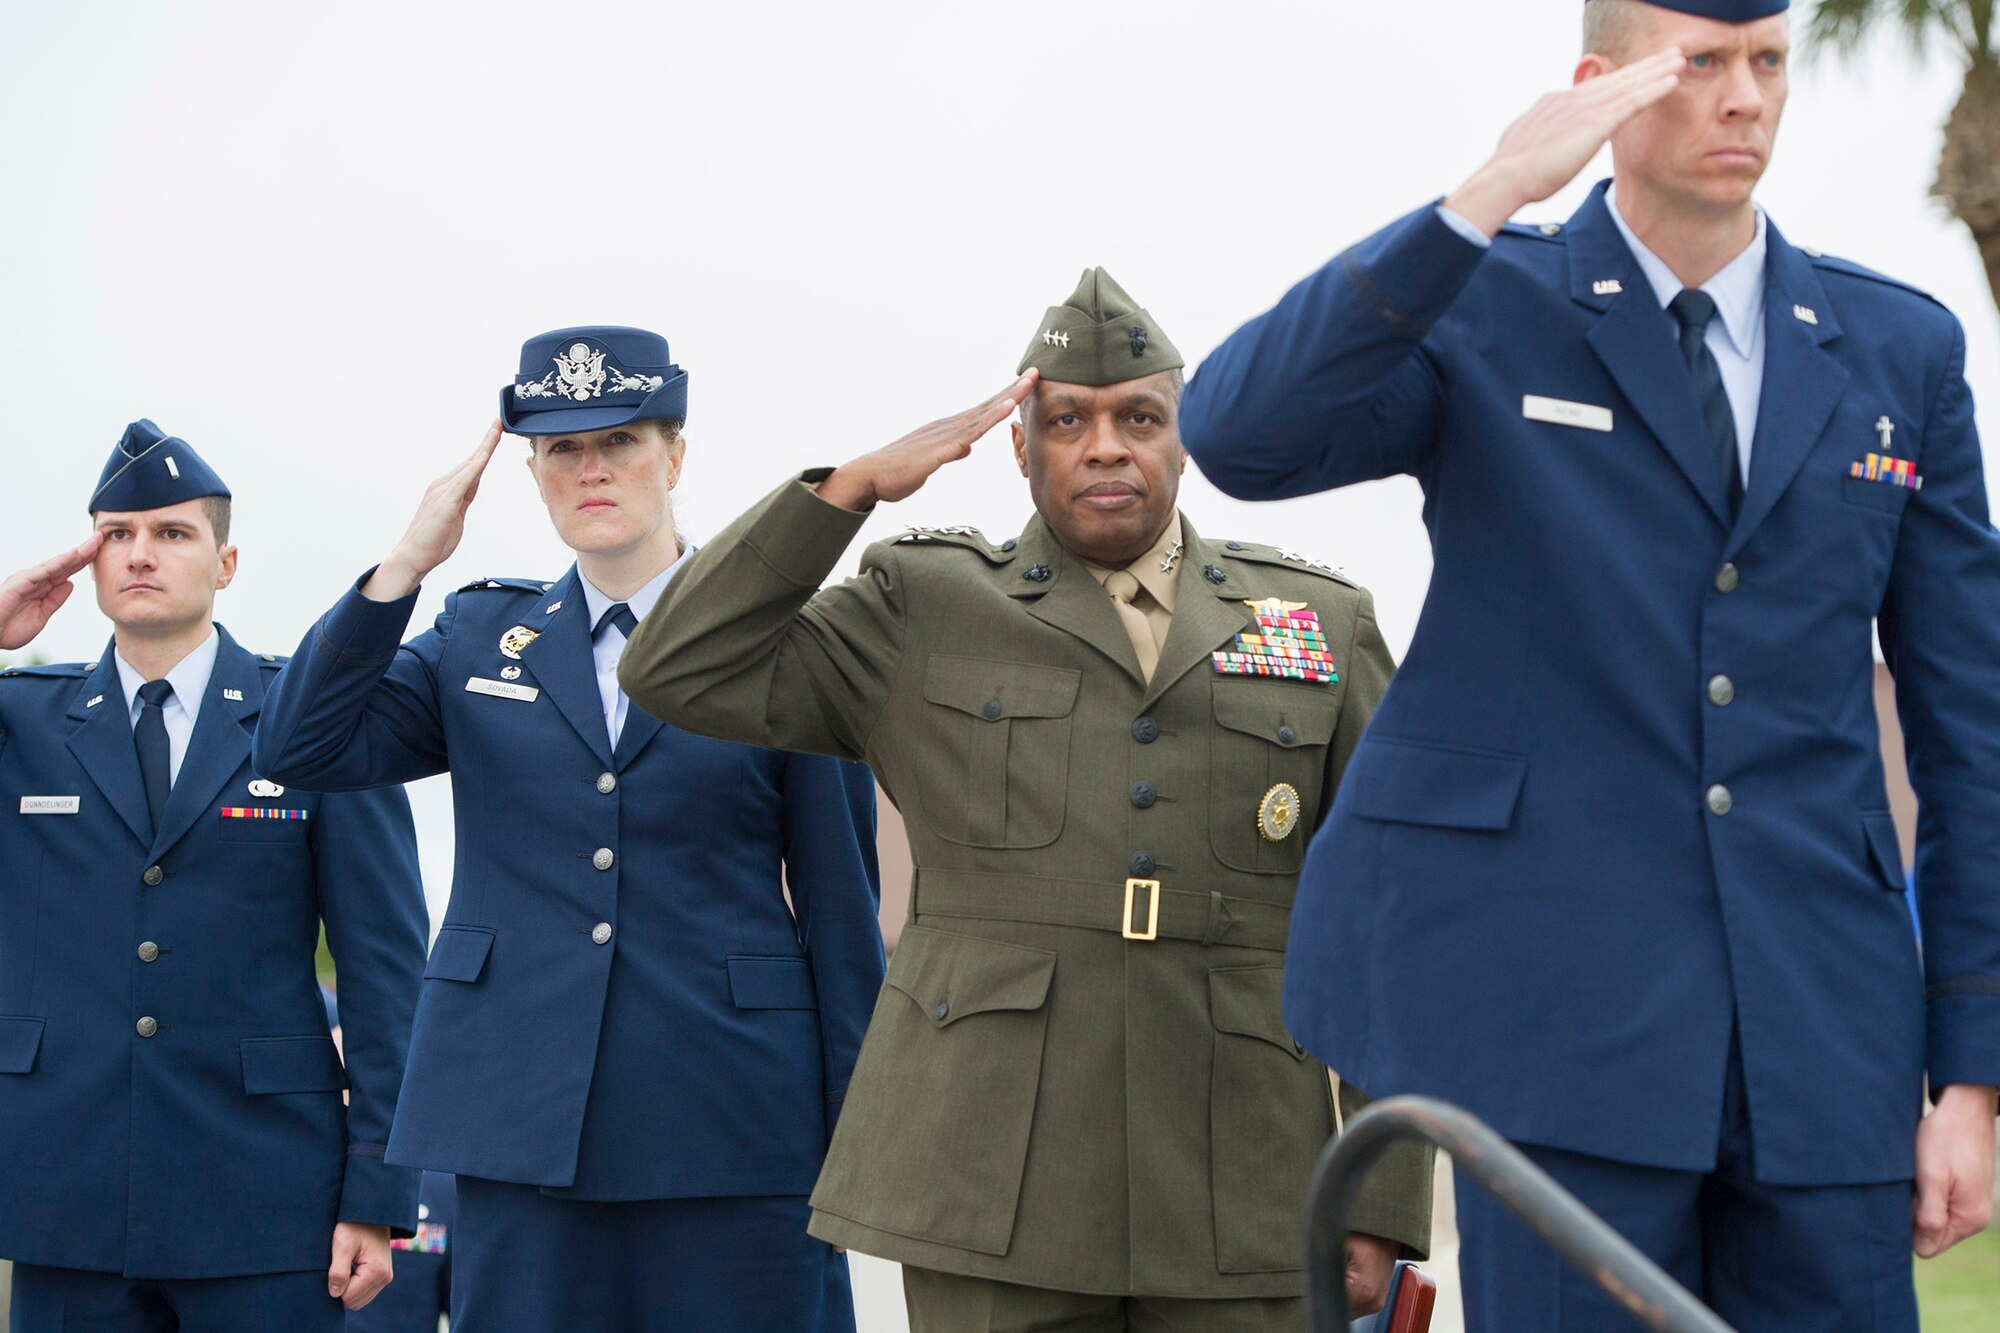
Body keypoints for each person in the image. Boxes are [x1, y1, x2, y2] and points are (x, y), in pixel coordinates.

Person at [1178, 1, 2000, 1327]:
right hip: (1563, 1033)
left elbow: (1976, 732)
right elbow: (1239, 433)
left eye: (1769, 63)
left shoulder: (1899, 348)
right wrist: (1489, 192)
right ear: (1598, 90)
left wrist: (1971, 1081)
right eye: (1703, 65)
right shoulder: (1486, 301)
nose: (1746, 100)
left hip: (1827, 1040)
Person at [617, 271, 1434, 1330]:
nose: (1104, 446)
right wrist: (845, 490)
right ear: (1019, 445)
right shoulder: (922, 604)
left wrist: (1379, 1192)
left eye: (1139, 416)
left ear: (1183, 439)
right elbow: (676, 665)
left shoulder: (1317, 621)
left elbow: (1393, 912)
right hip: (988, 1179)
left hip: (1247, 1177)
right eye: (1067, 420)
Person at [251, 326, 885, 1333]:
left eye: (621, 441)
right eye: (559, 449)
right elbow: (300, 748)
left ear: (675, 456)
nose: (591, 469)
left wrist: (864, 1147)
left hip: (733, 1125)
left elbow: (843, 907)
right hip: (521, 1125)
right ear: (533, 471)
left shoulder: (784, 639)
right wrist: (406, 562)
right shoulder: (473, 637)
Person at [0, 421, 427, 1331]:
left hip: (266, 1198)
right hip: (66, 1196)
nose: (141, 555)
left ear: (226, 563)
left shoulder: (311, 719)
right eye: (118, 534)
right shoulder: (22, 723)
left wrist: (378, 1194)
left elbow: (387, 972)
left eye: (172, 533)